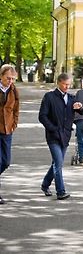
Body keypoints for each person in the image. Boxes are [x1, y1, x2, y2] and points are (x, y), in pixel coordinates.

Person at [38, 73, 83, 200]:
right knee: (58, 163)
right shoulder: (49, 97)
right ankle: (60, 191)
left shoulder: (71, 98)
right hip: (53, 136)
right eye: (65, 84)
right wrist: (52, 128)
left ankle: (45, 184)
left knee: (56, 163)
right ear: (59, 83)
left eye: (69, 85)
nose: (67, 87)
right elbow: (42, 116)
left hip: (65, 135)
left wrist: (80, 107)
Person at [0, 65, 19, 205]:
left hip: (7, 130)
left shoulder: (14, 90)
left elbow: (16, 109)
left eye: (12, 79)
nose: (10, 81)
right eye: (8, 78)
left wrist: (14, 124)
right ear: (1, 76)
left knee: (6, 162)